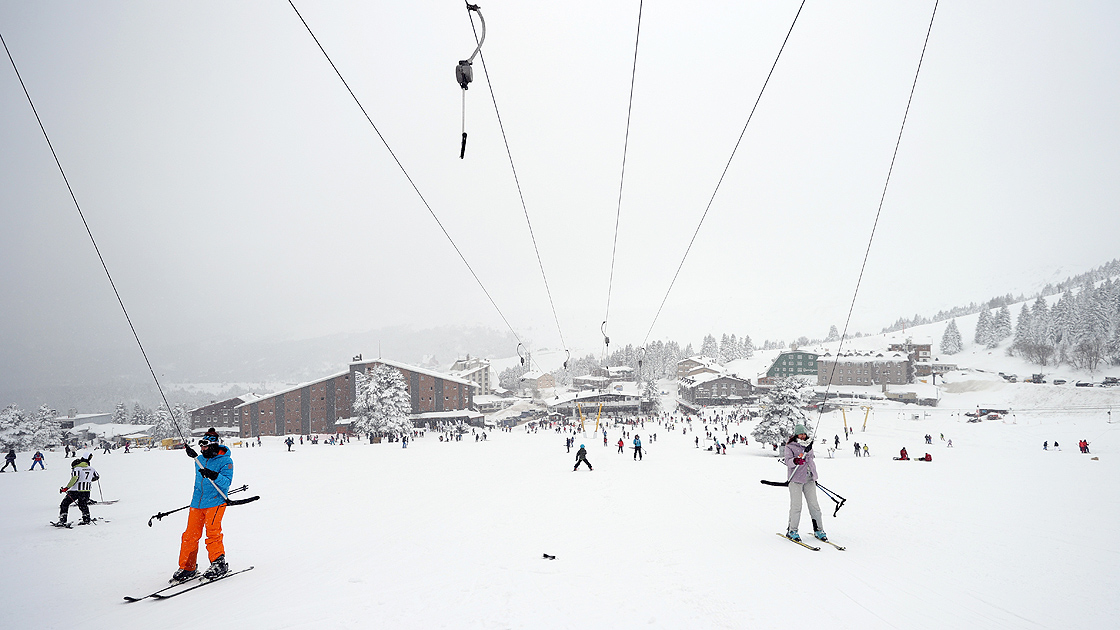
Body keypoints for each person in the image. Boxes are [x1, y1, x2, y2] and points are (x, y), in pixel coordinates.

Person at [173, 428, 233, 583]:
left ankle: (218, 564)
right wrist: (193, 455)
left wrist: (213, 475)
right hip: (197, 503)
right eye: (201, 446)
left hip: (216, 502)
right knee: (190, 535)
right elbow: (198, 462)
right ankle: (188, 567)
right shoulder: (199, 459)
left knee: (213, 533)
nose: (202, 449)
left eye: (205, 446)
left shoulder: (225, 461)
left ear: (213, 445)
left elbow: (226, 483)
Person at [784, 424, 827, 542]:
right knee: (796, 506)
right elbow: (787, 461)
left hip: (809, 479)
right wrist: (796, 460)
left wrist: (807, 453)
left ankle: (819, 530)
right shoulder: (790, 447)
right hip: (796, 479)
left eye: (804, 434)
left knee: (814, 506)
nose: (802, 436)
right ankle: (792, 530)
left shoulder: (809, 445)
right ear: (796, 435)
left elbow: (811, 458)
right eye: (800, 434)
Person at [58, 457, 98, 525]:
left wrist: (66, 488)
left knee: (64, 503)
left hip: (75, 490)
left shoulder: (76, 469)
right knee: (83, 505)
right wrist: (87, 481)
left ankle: (62, 520)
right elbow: (97, 476)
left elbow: (74, 478)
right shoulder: (91, 468)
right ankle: (86, 519)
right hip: (86, 490)